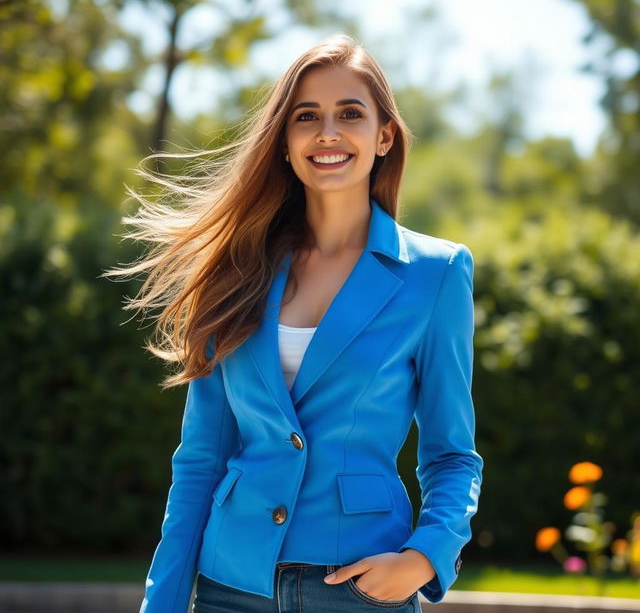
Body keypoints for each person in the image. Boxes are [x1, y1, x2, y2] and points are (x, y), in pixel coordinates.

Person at [106, 32, 483, 613]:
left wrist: (424, 556)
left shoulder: (436, 274)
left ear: (384, 136)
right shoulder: (233, 271)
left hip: (359, 587)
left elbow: (452, 454)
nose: (327, 133)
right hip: (230, 584)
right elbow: (201, 457)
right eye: (306, 116)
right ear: (284, 142)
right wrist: (162, 603)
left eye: (349, 114)